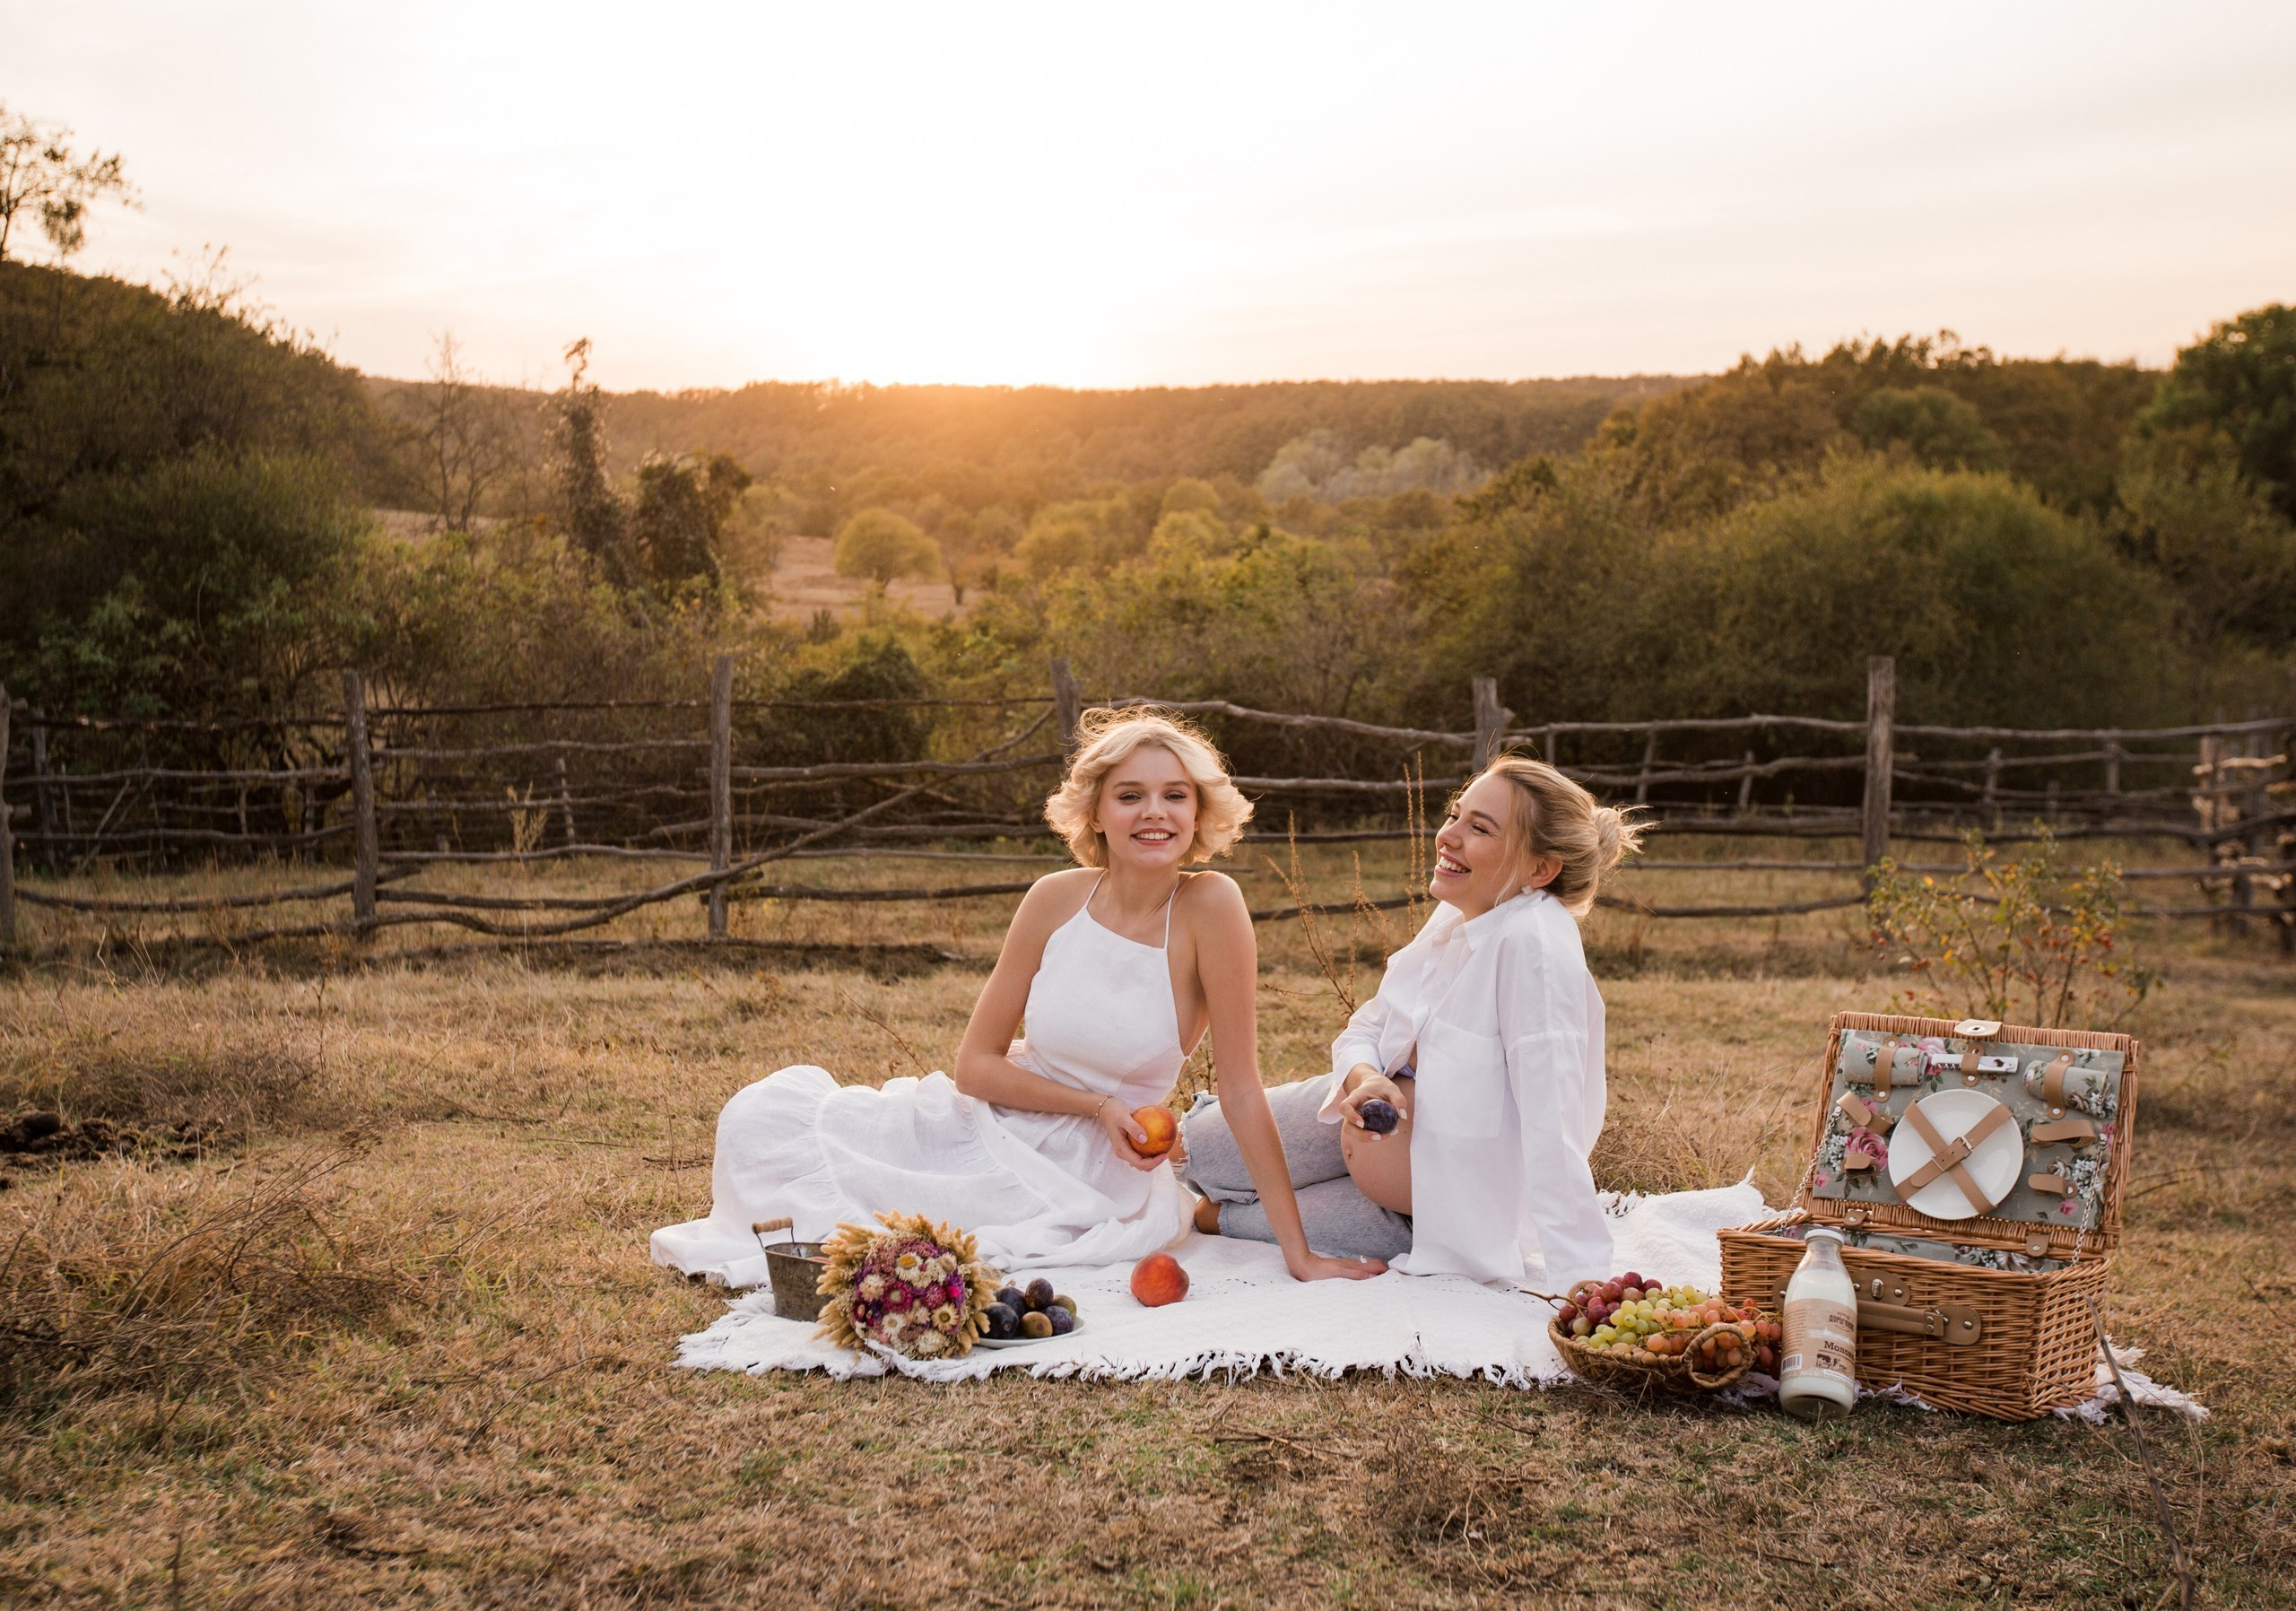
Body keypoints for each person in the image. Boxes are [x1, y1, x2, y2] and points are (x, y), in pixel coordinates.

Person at [651, 709, 1384, 1285]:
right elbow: (975, 1066)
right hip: (995, 1117)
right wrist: (1096, 1106)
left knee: (940, 1233)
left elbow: (1242, 1089)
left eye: (1174, 796)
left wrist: (1298, 1254)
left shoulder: (1210, 907)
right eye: (1130, 796)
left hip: (1093, 1170)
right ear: (1096, 812)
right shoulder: (1054, 899)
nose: (1153, 813)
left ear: (1198, 814)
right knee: (760, 1122)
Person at [1179, 754, 1640, 1292]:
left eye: (1480, 828)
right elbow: (1367, 1028)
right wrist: (1365, 1078)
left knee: (1211, 1216)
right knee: (1195, 1151)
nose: (1448, 836)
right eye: (1455, 814)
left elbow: (1553, 1126)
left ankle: (1238, 1209)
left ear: (1540, 870)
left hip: (1426, 1220)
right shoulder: (1464, 912)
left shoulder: (1534, 948)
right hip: (1347, 1126)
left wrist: (1584, 1284)